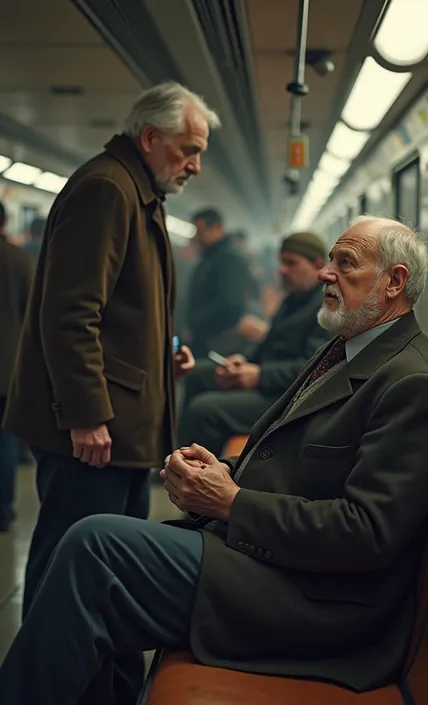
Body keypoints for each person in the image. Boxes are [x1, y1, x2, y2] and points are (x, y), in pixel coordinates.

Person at [0, 216, 428, 705]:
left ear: (394, 281)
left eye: (344, 263)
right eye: (329, 258)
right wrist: (222, 471)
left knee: (95, 546)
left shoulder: (414, 385)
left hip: (324, 604)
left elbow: (367, 534)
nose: (325, 273)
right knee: (97, 560)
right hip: (281, 567)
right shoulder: (350, 348)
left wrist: (232, 503)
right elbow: (297, 458)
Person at [1, 82, 219, 701]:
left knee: (114, 579)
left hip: (124, 426)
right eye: (189, 149)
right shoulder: (106, 189)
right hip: (94, 431)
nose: (195, 165)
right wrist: (86, 415)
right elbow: (72, 314)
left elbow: (122, 309)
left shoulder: (136, 191)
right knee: (65, 575)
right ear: (151, 139)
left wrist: (164, 352)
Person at [179, 231, 332, 454]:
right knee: (197, 375)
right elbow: (267, 345)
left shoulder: (324, 309)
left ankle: (197, 474)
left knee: (204, 410)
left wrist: (259, 375)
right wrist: (243, 361)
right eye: (282, 262)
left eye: (291, 263)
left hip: (285, 397)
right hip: (268, 381)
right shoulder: (292, 301)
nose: (282, 270)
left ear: (318, 265)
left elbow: (313, 369)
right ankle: (178, 457)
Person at [0, 203, 34, 531]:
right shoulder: (21, 259)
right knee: (5, 441)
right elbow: (32, 314)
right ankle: (3, 510)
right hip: (8, 366)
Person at [184, 209, 253, 358]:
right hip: (206, 336)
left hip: (217, 339)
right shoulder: (211, 256)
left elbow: (230, 303)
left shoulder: (229, 258)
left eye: (200, 231)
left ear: (216, 229)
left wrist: (196, 324)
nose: (196, 236)